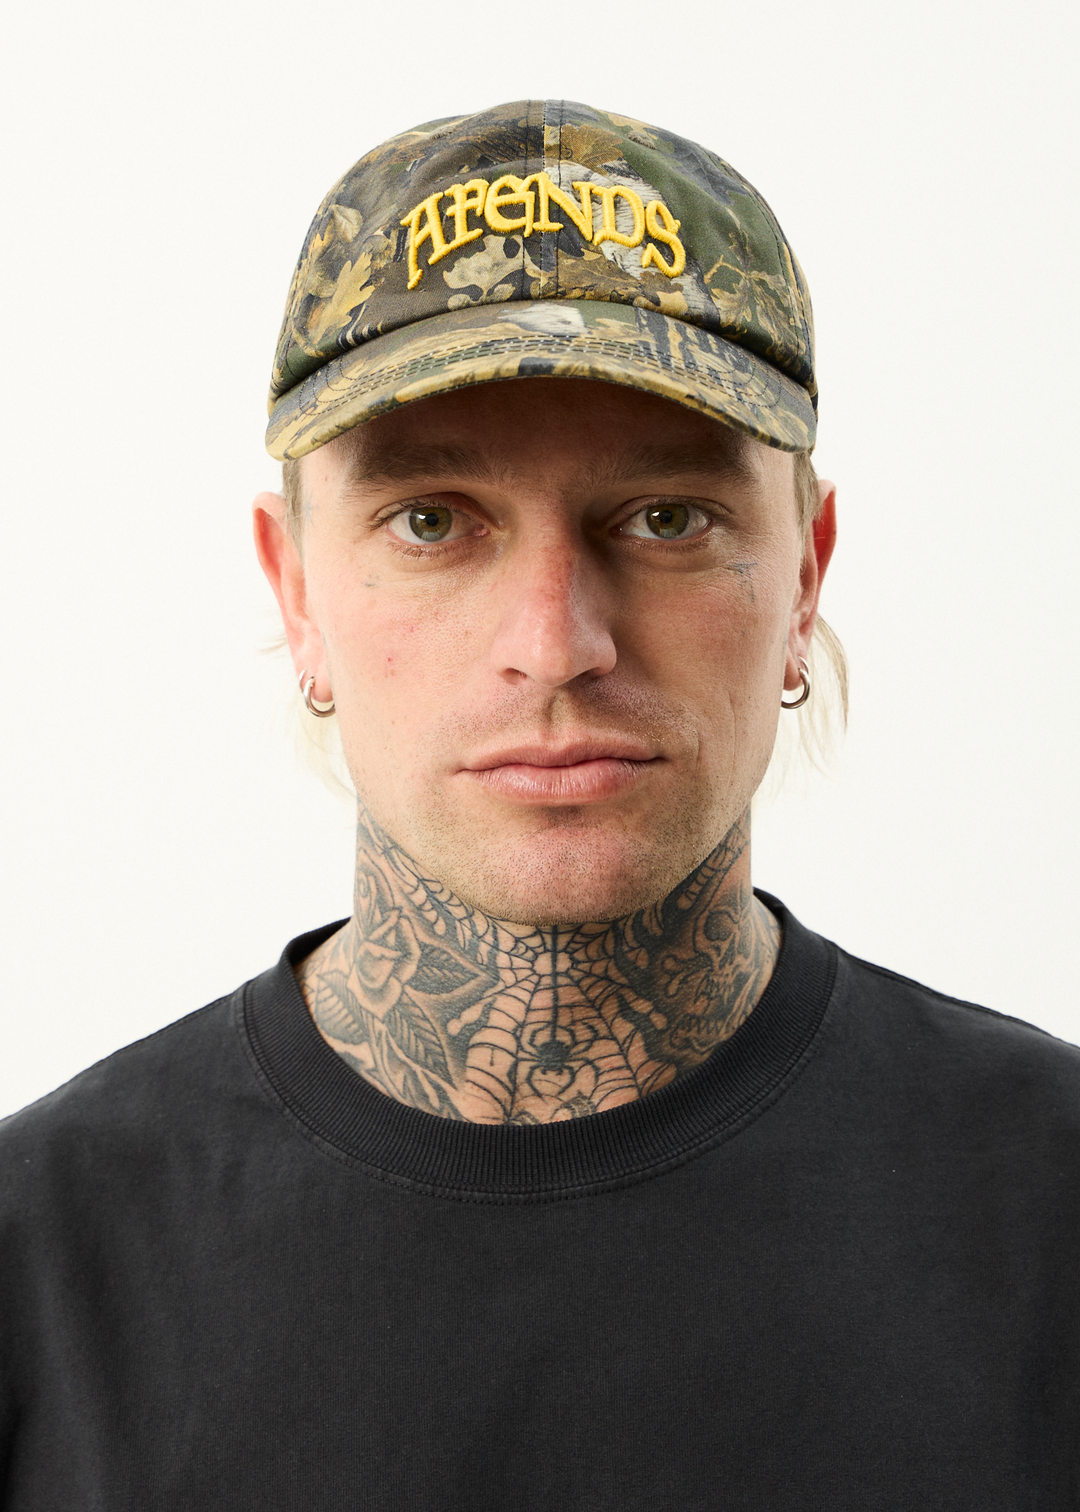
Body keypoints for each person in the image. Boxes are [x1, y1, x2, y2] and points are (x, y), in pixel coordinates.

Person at [1, 99, 1077, 1509]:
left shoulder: (1048, 1212)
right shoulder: (44, 1262)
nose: (558, 642)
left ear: (806, 574)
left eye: (668, 517)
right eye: (432, 521)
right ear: (297, 592)